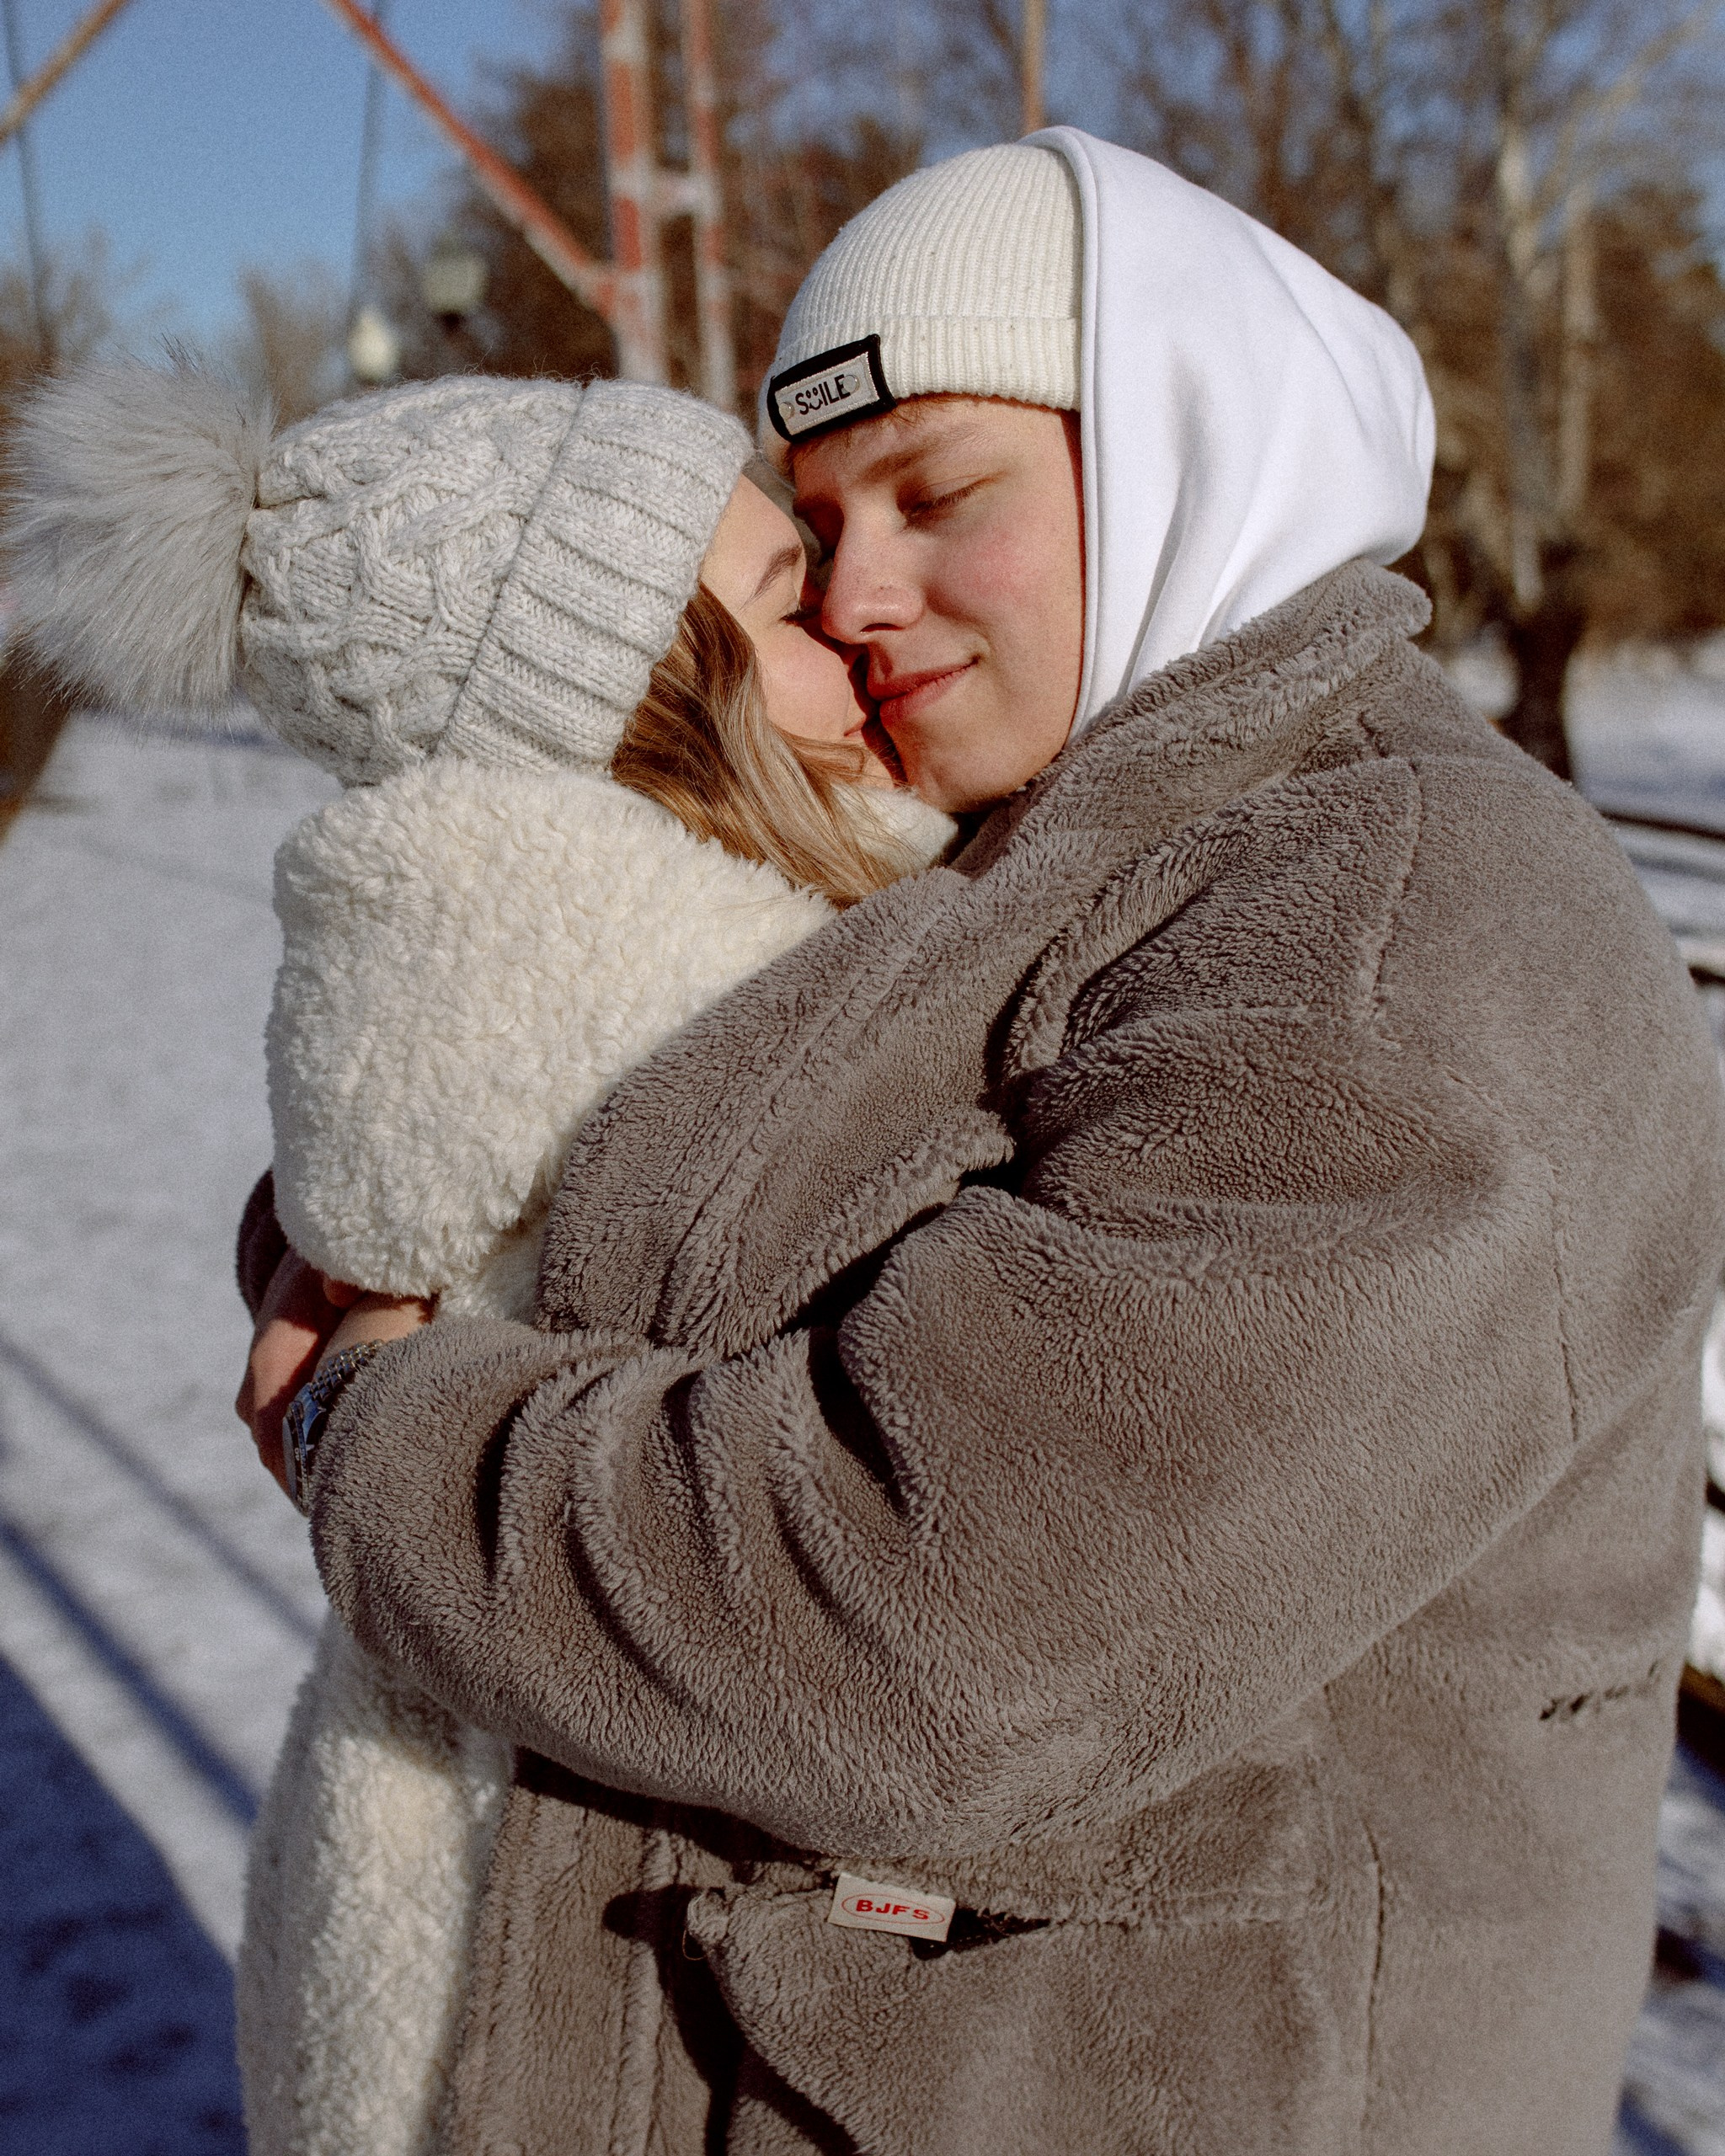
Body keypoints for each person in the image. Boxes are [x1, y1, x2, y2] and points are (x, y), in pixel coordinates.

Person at [204, 129, 1725, 2152]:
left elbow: (925, 1623)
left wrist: (376, 1435)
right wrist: (377, 1240)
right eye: (822, 516)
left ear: (1194, 441)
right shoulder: (1088, 840)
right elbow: (671, 1171)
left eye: (940, 495)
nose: (853, 591)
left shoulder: (1383, 929)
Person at [4, 360, 950, 2156]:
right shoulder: (724, 1019)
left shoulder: (476, 980)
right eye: (782, 599)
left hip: (416, 1900)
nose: (852, 630)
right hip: (565, 1976)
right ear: (637, 701)